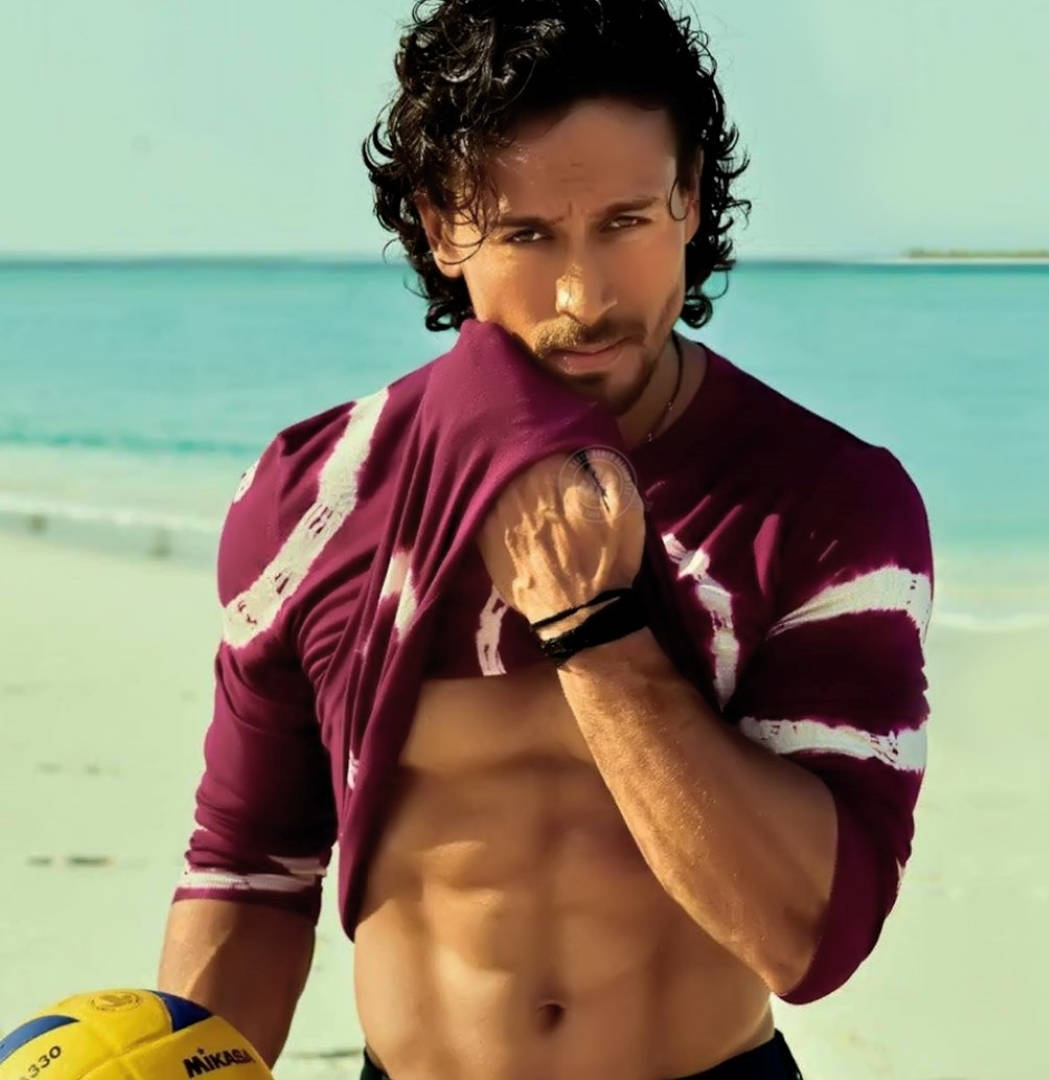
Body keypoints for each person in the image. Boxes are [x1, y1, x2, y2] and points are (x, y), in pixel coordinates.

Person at [154, 4, 934, 1078]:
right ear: (439, 225)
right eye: (526, 235)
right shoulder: (318, 501)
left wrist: (599, 630)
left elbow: (810, 936)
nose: (584, 297)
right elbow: (253, 874)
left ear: (691, 197)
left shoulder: (821, 503)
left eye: (624, 222)